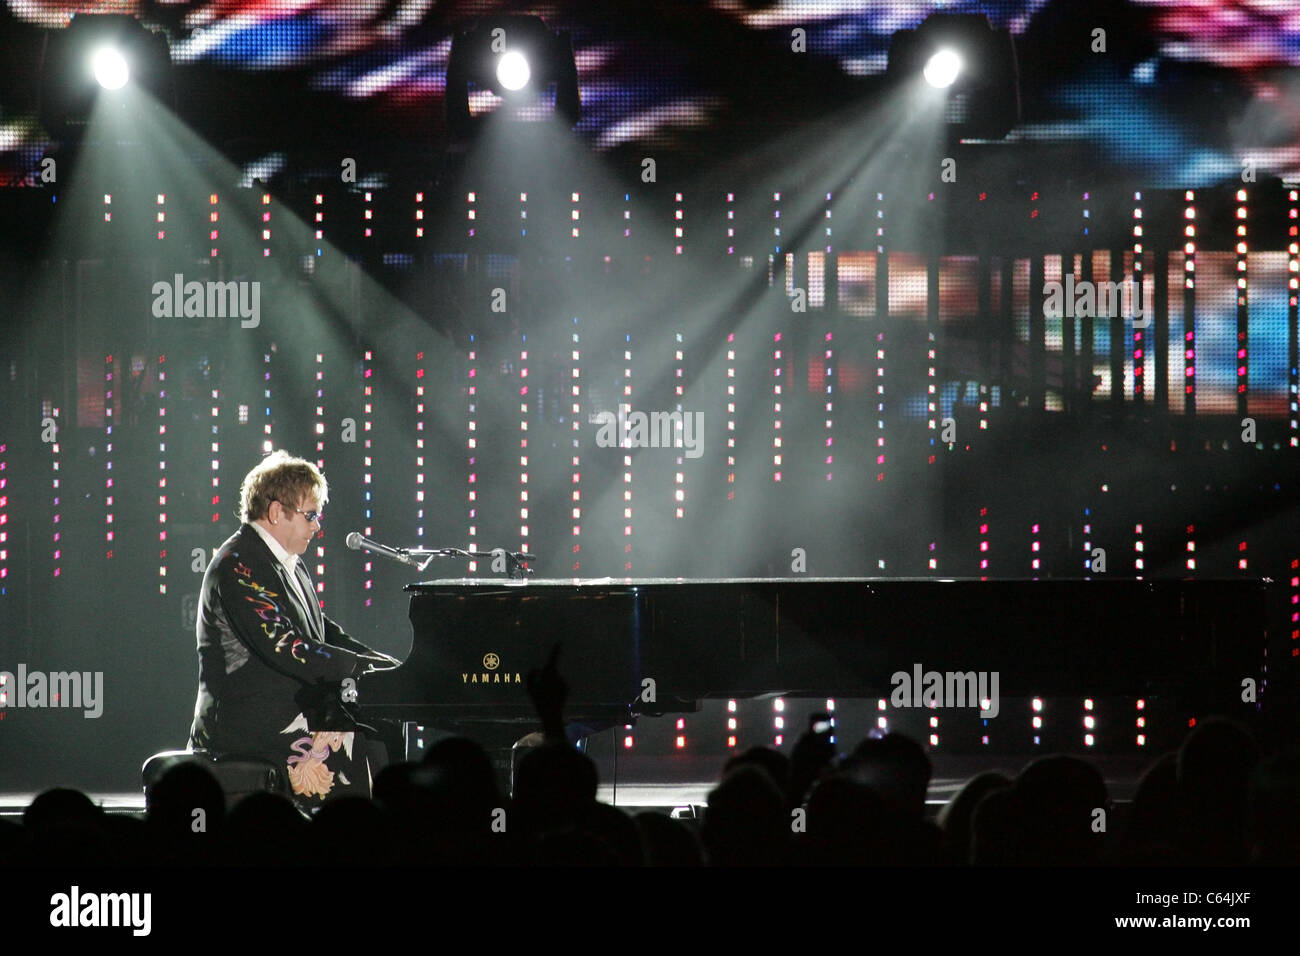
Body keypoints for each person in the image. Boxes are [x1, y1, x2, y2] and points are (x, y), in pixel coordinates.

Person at [189, 450, 397, 813]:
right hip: (245, 726)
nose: (318, 526)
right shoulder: (238, 565)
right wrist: (357, 669)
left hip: (286, 712)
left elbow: (321, 631)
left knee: (382, 738)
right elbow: (288, 646)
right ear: (275, 512)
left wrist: (376, 661)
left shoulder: (287, 562)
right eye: (311, 515)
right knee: (355, 751)